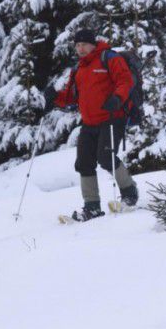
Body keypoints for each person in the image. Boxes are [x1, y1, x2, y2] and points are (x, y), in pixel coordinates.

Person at [45, 29, 139, 221]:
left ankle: (129, 193)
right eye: (77, 45)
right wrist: (55, 98)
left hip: (113, 117)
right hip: (89, 123)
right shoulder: (78, 69)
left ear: (93, 44)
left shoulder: (109, 58)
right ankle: (92, 206)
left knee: (105, 157)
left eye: (84, 44)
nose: (80, 48)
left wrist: (117, 98)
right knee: (84, 163)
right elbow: (72, 97)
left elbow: (125, 80)